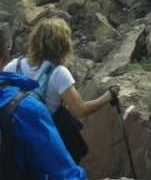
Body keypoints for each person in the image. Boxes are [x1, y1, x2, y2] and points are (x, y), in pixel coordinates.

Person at [0, 25, 88, 179]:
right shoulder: (28, 108)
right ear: (6, 56)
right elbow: (66, 175)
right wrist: (108, 96)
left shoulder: (15, 65)